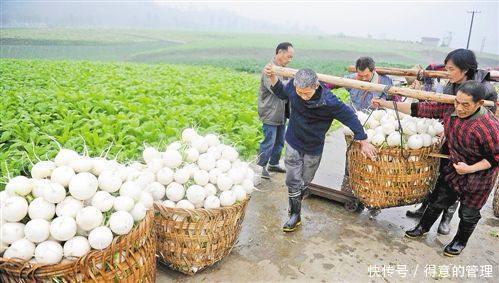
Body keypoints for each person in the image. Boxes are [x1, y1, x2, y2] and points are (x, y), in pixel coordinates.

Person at [372, 80, 498, 257]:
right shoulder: (450, 109)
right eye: (457, 102)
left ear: (480, 104)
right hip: (454, 167)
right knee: (438, 199)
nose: (459, 108)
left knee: (468, 213)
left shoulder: (489, 127)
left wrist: (470, 169)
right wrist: (385, 103)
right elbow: (419, 109)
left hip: (479, 176)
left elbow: (495, 158)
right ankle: (422, 227)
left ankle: (459, 241)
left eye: (466, 105)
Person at [264, 65, 377, 232]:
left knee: (305, 180)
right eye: (299, 92)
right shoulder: (293, 88)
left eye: (306, 93)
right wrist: (272, 76)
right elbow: (281, 92)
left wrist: (363, 139)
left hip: (313, 147)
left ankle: (295, 201)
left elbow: (350, 117)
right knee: (292, 179)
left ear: (316, 86)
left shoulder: (330, 102)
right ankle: (295, 215)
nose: (302, 97)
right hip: (293, 141)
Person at [405, 49, 498, 235]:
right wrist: (447, 130)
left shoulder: (486, 98)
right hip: (455, 147)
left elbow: (493, 151)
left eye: (451, 69)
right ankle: (424, 222)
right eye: (457, 103)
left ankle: (450, 227)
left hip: (478, 159)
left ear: (464, 70)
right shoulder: (451, 89)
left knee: (468, 207)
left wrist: (471, 167)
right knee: (442, 188)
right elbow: (433, 109)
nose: (447, 73)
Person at [256, 42, 294, 182]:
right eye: (289, 56)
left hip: (282, 112)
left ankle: (273, 163)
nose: (290, 60)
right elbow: (278, 90)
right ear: (280, 53)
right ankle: (261, 166)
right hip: (270, 111)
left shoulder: (284, 70)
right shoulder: (269, 70)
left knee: (279, 141)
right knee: (269, 141)